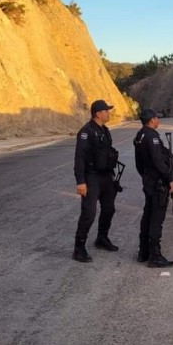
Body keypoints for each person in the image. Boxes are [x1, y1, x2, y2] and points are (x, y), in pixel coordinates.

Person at [72, 99, 120, 263]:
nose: (108, 113)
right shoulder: (86, 132)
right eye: (106, 111)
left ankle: (102, 238)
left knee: (109, 209)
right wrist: (80, 181)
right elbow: (80, 158)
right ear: (98, 113)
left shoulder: (105, 131)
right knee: (89, 213)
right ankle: (79, 248)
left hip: (106, 176)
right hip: (91, 177)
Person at [133, 108, 173, 268]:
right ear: (151, 120)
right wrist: (170, 179)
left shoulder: (140, 135)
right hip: (158, 183)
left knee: (148, 215)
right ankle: (155, 255)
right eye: (157, 118)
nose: (159, 120)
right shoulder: (152, 136)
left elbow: (138, 163)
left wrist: (145, 176)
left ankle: (143, 252)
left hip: (149, 181)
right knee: (156, 219)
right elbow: (159, 161)